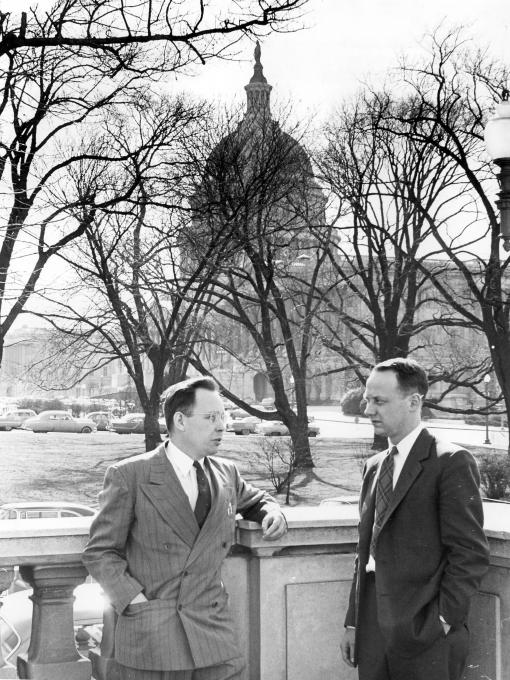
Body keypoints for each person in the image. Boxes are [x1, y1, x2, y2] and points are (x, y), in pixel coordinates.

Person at [83, 376, 287, 680]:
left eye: (223, 416)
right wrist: (135, 601)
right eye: (211, 417)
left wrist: (273, 512)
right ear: (180, 420)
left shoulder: (225, 472)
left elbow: (255, 500)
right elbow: (100, 553)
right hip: (154, 638)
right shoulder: (131, 475)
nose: (222, 426)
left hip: (214, 638)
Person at [340, 358, 489, 680]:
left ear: (414, 402)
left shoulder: (451, 462)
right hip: (373, 631)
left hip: (427, 635)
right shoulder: (374, 466)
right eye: (367, 399)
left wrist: (441, 621)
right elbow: (364, 552)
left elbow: (470, 553)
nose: (367, 410)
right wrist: (354, 622)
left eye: (379, 401)